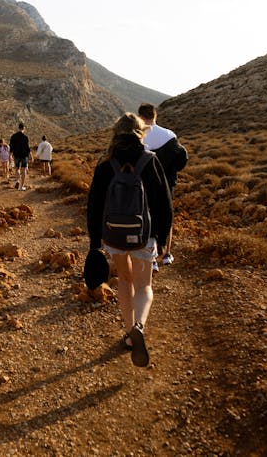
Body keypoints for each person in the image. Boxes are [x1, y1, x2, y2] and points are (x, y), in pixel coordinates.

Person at [87, 113, 173, 367]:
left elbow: (93, 206)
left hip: (113, 235)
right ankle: (139, 326)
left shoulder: (106, 164)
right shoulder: (150, 160)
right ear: (140, 132)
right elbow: (164, 204)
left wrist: (95, 243)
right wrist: (162, 236)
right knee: (144, 285)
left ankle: (128, 333)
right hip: (143, 236)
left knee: (124, 280)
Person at [138, 103, 188, 269]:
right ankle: (166, 254)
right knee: (166, 215)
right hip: (166, 183)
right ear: (155, 115)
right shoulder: (169, 135)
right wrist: (170, 171)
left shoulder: (138, 135)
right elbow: (182, 158)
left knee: (146, 217)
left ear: (140, 117)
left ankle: (150, 258)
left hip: (144, 185)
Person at [9, 122, 31, 190]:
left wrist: (10, 155)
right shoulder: (25, 137)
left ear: (18, 128)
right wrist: (30, 155)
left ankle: (17, 181)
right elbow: (27, 148)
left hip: (16, 155)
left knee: (17, 168)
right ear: (24, 128)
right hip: (24, 156)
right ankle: (21, 187)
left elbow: (11, 146)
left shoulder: (13, 136)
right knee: (24, 169)